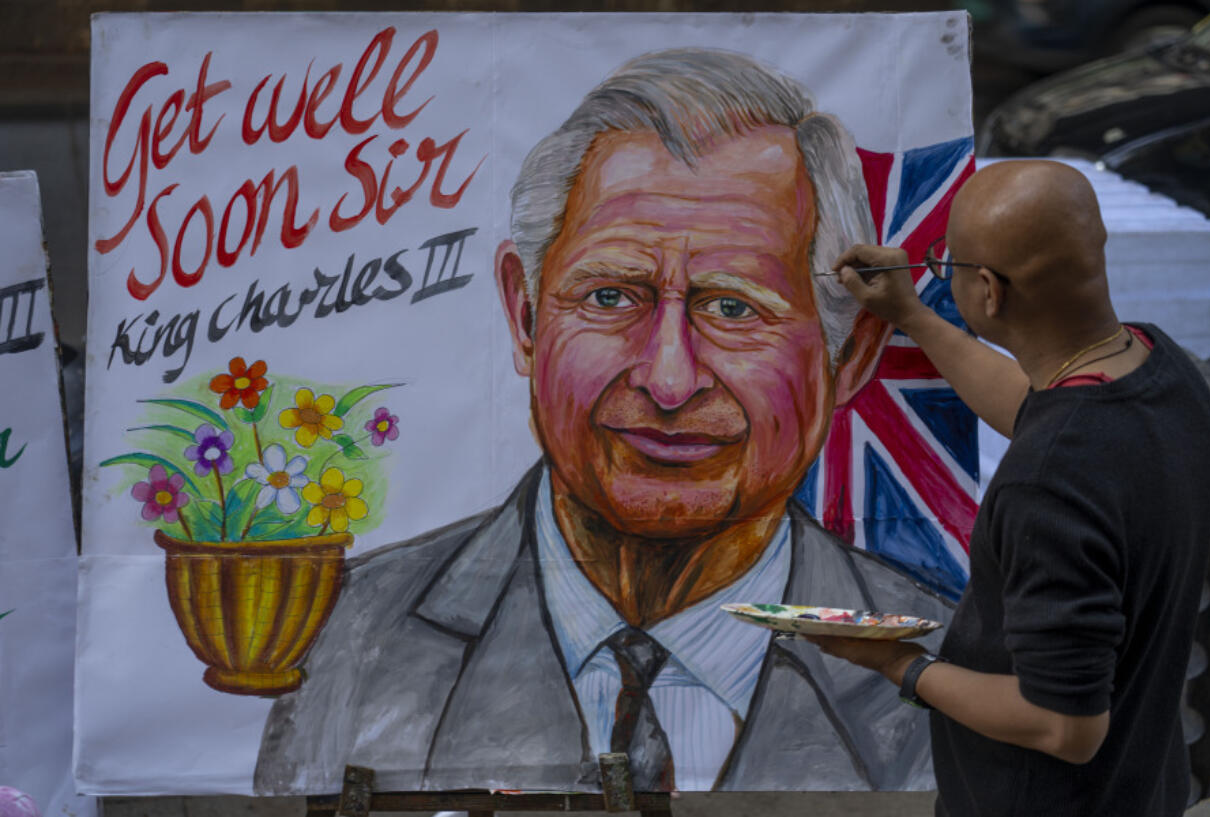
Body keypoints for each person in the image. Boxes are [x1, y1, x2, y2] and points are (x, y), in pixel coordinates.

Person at [254, 48, 953, 796]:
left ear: (847, 355)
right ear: (525, 316)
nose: (668, 377)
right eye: (612, 297)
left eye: (733, 307)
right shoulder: (348, 637)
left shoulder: (952, 660)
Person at [815, 159, 1210, 816]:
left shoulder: (1049, 482)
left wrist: (901, 667)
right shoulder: (1165, 371)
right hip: (1144, 788)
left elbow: (1065, 725)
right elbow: (1041, 411)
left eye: (946, 266)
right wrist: (913, 314)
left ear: (988, 291)